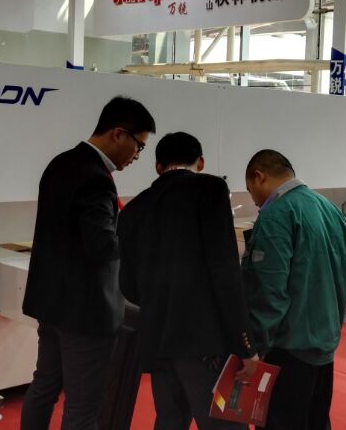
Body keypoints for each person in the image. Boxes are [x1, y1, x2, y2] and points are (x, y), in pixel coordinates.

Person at [21, 96, 155, 430]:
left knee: (43, 387)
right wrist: (139, 235)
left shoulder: (61, 163)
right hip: (85, 313)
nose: (137, 156)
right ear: (118, 134)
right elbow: (101, 247)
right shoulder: (95, 178)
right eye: (139, 146)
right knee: (83, 407)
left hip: (51, 303)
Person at [117, 132, 258, 430]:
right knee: (224, 424)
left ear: (158, 166)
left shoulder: (134, 209)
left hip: (156, 338)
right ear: (201, 162)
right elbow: (225, 272)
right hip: (204, 341)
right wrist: (244, 343)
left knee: (169, 420)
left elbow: (128, 285)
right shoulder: (210, 189)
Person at [242, 149, 346, 430]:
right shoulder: (329, 209)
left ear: (259, 176)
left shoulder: (276, 215)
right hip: (323, 344)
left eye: (251, 191)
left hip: (287, 348)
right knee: (315, 420)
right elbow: (345, 272)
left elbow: (270, 289)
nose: (255, 201)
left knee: (280, 420)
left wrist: (255, 347)